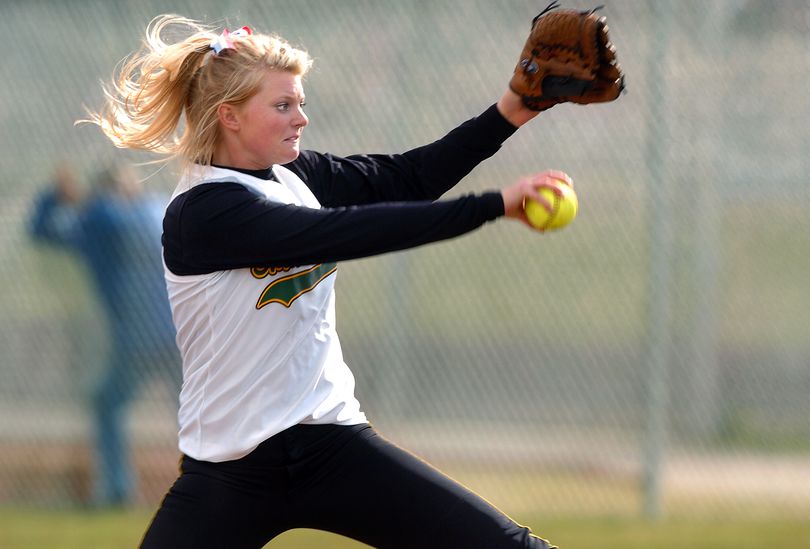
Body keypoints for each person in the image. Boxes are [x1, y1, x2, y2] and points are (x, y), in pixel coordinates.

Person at [83, 15, 574, 548]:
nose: (302, 118)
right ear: (229, 116)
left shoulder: (296, 175)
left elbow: (404, 179)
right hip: (231, 471)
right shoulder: (202, 212)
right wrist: (493, 205)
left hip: (331, 445)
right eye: (282, 106)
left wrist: (511, 112)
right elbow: (341, 232)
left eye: (299, 102)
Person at [29, 161, 181, 507]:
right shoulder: (155, 212)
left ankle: (117, 489)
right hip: (178, 334)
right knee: (186, 410)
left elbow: (46, 228)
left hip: (141, 338)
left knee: (111, 403)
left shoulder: (103, 219)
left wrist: (62, 197)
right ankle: (214, 483)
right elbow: (46, 231)